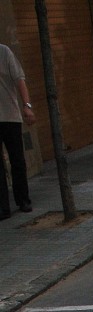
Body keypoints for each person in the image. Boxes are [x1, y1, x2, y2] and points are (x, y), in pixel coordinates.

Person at [0, 43, 36, 220]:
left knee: (17, 160)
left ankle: (23, 199)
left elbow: (19, 80)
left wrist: (27, 105)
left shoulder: (4, 52)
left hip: (10, 115)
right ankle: (3, 207)